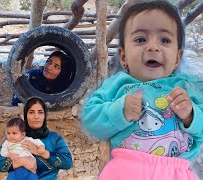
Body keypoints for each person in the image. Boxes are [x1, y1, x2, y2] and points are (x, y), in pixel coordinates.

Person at [82, 1, 203, 180]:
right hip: (127, 169)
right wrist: (118, 110)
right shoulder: (117, 85)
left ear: (178, 58)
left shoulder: (185, 88)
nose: (153, 47)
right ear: (123, 57)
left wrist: (191, 115)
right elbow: (91, 119)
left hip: (175, 172)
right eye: (141, 40)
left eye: (164, 40)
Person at [0, 97, 73, 179]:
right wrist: (22, 161)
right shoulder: (16, 136)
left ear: (45, 115)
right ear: (26, 115)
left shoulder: (54, 138)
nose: (36, 116)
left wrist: (43, 153)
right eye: (31, 112)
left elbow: (68, 162)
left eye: (40, 112)